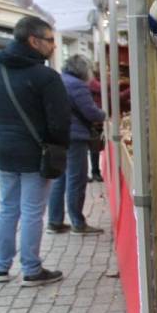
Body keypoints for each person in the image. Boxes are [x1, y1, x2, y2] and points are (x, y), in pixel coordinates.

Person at [0, 16, 70, 287]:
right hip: (36, 154)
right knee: (30, 210)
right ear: (34, 41)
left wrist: (2, 133)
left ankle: (0, 266)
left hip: (5, 151)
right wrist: (54, 145)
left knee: (8, 208)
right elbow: (59, 121)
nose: (53, 45)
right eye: (50, 40)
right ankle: (31, 268)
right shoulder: (45, 76)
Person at [47, 56, 105, 235]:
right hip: (75, 137)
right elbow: (90, 112)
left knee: (60, 179)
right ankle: (78, 223)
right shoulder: (78, 85)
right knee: (76, 180)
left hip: (59, 135)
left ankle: (54, 221)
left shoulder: (59, 80)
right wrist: (103, 114)